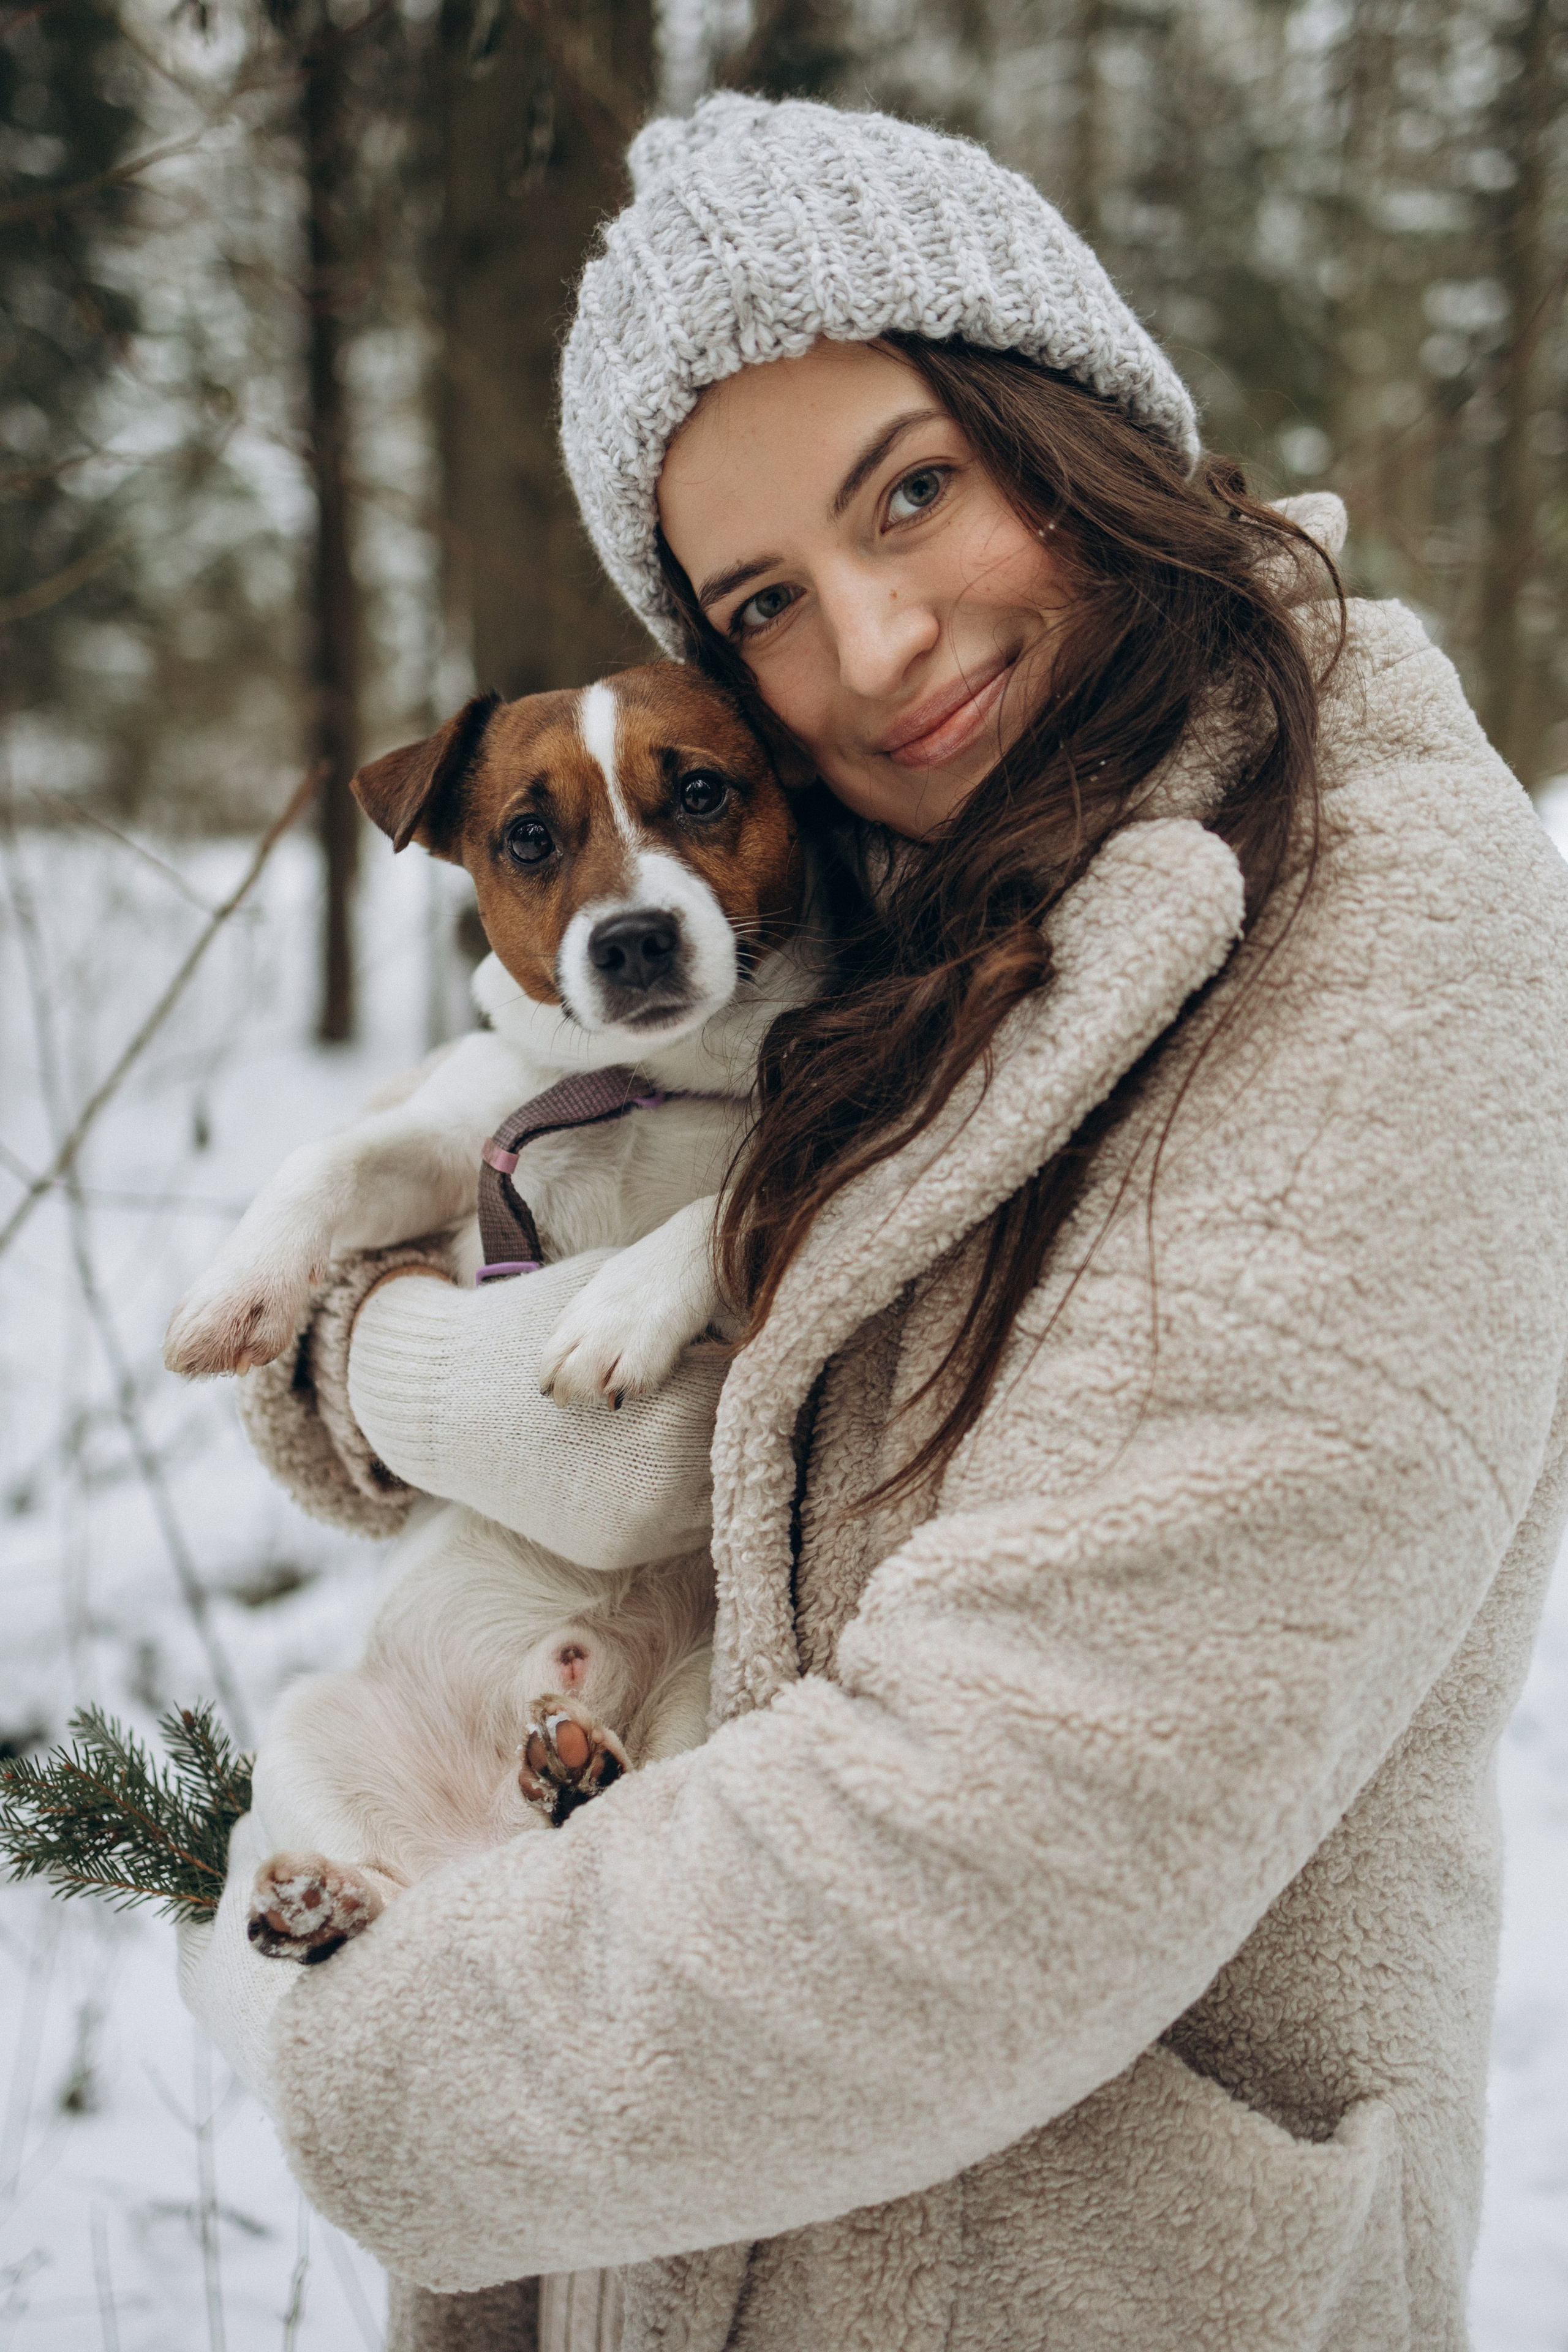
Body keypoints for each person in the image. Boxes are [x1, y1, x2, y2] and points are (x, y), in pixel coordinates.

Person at [181, 92, 1568, 2352]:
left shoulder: (1377, 923)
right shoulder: (917, 888)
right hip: (677, 2228)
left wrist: (362, 2058)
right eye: (764, 607)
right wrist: (371, 1365)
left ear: (1077, 423)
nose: (883, 640)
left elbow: (1008, 1848)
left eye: (912, 488)